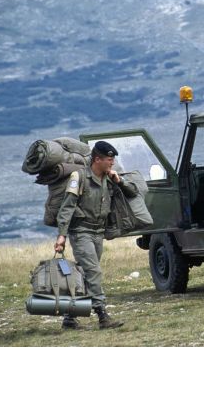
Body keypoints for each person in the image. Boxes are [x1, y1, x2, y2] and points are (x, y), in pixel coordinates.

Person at [54, 140, 137, 330]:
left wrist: (119, 180)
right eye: (109, 159)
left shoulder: (109, 178)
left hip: (98, 233)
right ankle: (102, 316)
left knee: (84, 275)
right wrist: (62, 236)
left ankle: (69, 318)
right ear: (97, 159)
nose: (112, 163)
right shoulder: (79, 177)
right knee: (93, 271)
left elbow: (132, 193)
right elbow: (67, 208)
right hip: (81, 232)